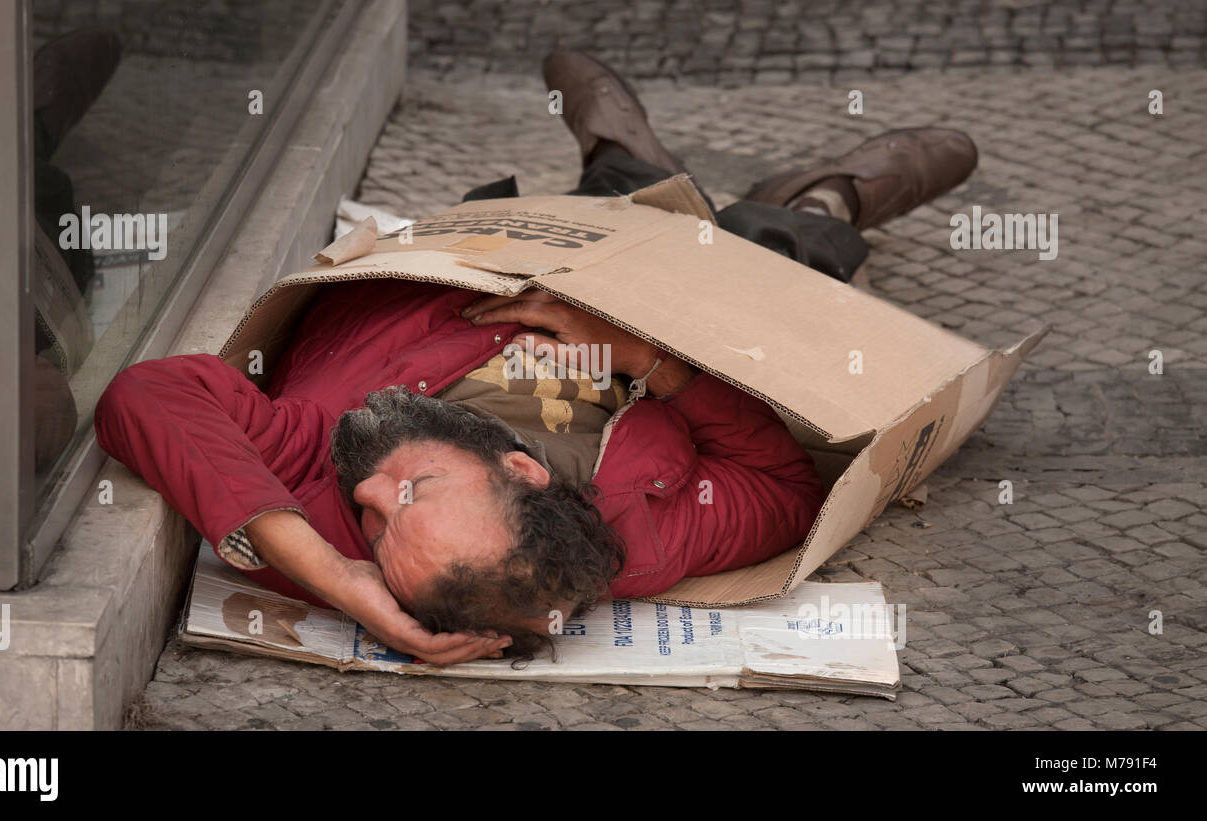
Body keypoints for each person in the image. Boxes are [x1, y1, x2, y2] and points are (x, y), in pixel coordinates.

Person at [95, 50, 978, 665]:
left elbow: (147, 394)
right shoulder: (644, 531)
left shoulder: (330, 480)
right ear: (523, 470)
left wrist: (333, 573)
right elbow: (786, 490)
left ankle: (623, 158)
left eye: (388, 517)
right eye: (402, 500)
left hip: (518, 252)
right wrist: (654, 359)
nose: (364, 491)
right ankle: (828, 201)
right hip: (670, 307)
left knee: (632, 213)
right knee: (778, 274)